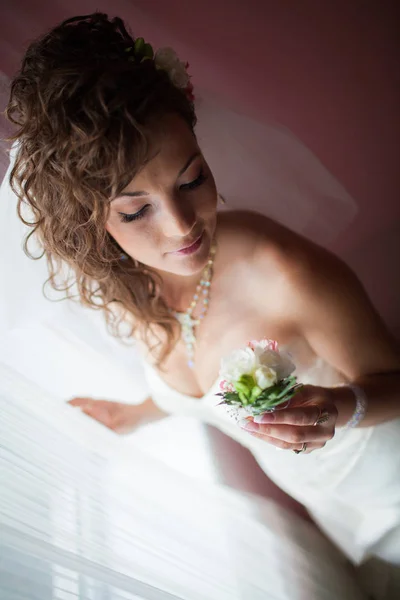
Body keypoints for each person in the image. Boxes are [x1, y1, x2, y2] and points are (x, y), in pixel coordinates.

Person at [6, 11, 400, 581]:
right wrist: (137, 412)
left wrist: (342, 407)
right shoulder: (124, 287)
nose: (183, 226)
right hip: (336, 510)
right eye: (137, 210)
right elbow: (190, 385)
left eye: (192, 179)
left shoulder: (282, 270)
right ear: (93, 222)